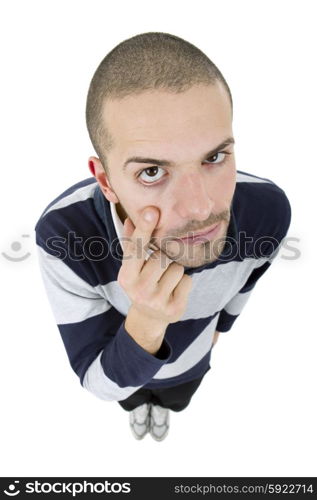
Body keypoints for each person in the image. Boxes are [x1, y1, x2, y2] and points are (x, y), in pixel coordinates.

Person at [34, 32, 291, 441]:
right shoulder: (64, 235)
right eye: (151, 172)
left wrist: (220, 327)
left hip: (192, 363)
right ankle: (140, 410)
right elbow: (99, 381)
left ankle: (165, 410)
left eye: (214, 157)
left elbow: (247, 282)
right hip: (121, 370)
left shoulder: (269, 211)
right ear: (106, 180)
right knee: (132, 397)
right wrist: (150, 318)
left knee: (177, 398)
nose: (200, 208)